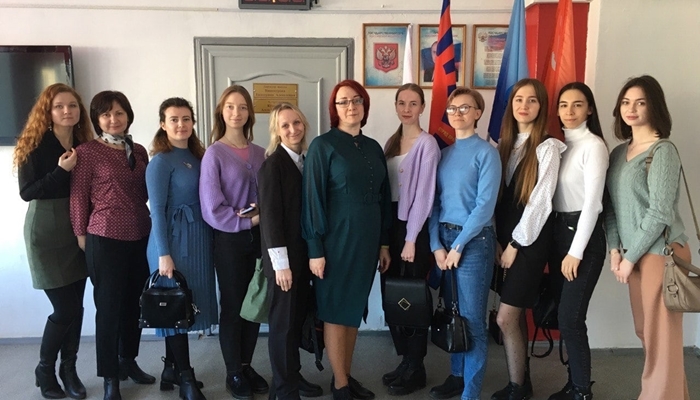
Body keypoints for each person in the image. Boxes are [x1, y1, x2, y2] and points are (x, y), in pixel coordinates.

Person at [301, 79, 391, 400]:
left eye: (356, 100)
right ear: (334, 109)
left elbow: (384, 198)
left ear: (365, 105)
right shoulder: (322, 146)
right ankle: (340, 386)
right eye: (343, 102)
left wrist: (384, 243)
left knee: (352, 311)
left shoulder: (374, 147)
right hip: (335, 244)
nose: (351, 106)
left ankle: (345, 376)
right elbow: (312, 201)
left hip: (367, 244)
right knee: (335, 312)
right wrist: (315, 249)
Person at [605, 75, 689, 400]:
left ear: (654, 106)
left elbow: (660, 213)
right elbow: (610, 208)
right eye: (626, 102)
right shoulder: (618, 154)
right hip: (633, 255)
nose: (632, 108)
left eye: (640, 102)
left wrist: (629, 258)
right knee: (647, 334)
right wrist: (615, 250)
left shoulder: (663, 151)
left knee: (661, 340)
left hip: (661, 253)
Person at [70, 90, 154, 400]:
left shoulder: (138, 150)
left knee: (135, 304)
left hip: (140, 235)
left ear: (128, 115)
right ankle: (110, 378)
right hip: (104, 237)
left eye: (119, 113)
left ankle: (128, 360)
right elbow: (78, 196)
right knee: (108, 309)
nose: (113, 119)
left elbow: (146, 191)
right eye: (106, 114)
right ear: (97, 119)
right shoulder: (87, 152)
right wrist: (82, 236)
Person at [15, 83, 92, 400]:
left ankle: (69, 370)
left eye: (72, 105)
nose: (66, 111)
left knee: (77, 307)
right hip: (46, 230)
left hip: (78, 229)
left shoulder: (85, 143)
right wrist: (61, 171)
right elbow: (27, 192)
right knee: (65, 308)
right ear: (47, 111)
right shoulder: (34, 144)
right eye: (59, 106)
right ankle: (45, 369)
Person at [491, 78, 566, 400]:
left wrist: (515, 244)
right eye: (519, 99)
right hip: (504, 242)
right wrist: (498, 240)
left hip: (529, 244)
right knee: (516, 314)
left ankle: (517, 386)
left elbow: (541, 202)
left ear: (541, 106)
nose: (524, 105)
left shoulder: (548, 147)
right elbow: (496, 200)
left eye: (532, 100)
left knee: (505, 317)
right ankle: (520, 383)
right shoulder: (503, 145)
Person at [427, 87, 501, 400]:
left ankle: (470, 393)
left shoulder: (487, 154)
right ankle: (457, 376)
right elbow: (434, 203)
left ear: (478, 113)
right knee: (453, 312)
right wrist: (436, 245)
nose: (457, 113)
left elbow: (484, 206)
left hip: (473, 243)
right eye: (453, 108)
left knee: (472, 321)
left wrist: (457, 246)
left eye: (465, 108)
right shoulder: (443, 155)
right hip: (445, 241)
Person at [146, 97, 218, 400]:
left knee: (183, 304)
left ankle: (170, 369)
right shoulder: (160, 162)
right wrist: (164, 253)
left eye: (186, 118)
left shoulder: (198, 155)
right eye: (174, 119)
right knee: (173, 306)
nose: (181, 124)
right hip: (172, 241)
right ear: (163, 124)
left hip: (198, 238)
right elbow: (156, 210)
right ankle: (186, 377)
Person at [200, 85, 269, 400]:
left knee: (254, 303)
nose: (236, 112)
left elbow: (269, 195)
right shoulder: (214, 154)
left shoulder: (261, 153)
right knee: (232, 306)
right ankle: (233, 373)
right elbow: (211, 208)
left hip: (259, 240)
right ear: (221, 112)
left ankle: (246, 365)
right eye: (230, 106)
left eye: (242, 107)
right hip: (229, 241)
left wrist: (261, 215)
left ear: (249, 113)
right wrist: (249, 220)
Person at [547, 83, 608, 400]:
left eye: (577, 104)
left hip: (582, 239)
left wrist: (575, 251)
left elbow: (593, 205)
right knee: (564, 317)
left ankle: (582, 391)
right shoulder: (558, 146)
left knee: (571, 319)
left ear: (590, 109)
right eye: (563, 105)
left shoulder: (593, 146)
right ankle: (574, 384)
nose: (569, 111)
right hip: (559, 232)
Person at [258, 102, 323, 400]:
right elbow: (270, 220)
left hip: (302, 257)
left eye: (296, 123)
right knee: (283, 327)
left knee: (296, 322)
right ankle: (285, 391)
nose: (293, 129)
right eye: (285, 125)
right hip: (283, 262)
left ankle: (290, 379)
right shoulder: (273, 165)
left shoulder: (305, 161)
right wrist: (281, 265)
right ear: (276, 131)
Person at [380, 83, 440, 396]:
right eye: (402, 103)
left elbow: (425, 196)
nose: (407, 109)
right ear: (395, 106)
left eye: (413, 103)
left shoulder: (427, 144)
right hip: (390, 228)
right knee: (392, 294)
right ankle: (405, 360)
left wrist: (411, 238)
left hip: (411, 229)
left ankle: (416, 366)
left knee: (412, 298)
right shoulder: (391, 142)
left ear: (422, 107)